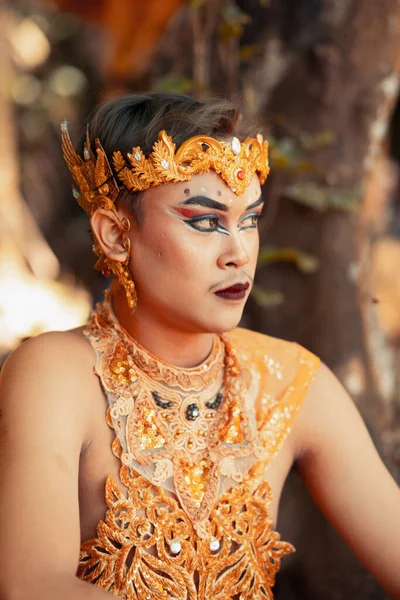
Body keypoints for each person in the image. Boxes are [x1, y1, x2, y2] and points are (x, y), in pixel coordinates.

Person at [0, 93, 399, 600]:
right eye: (205, 222)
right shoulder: (55, 374)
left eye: (249, 220)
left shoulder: (290, 381)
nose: (238, 254)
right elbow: (32, 585)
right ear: (116, 236)